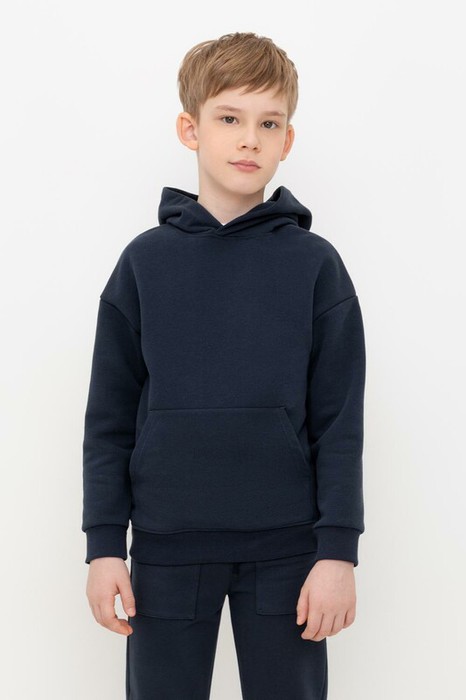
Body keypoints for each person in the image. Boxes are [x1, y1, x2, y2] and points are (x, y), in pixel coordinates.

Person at [82, 31, 366, 700]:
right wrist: (104, 546)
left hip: (289, 553)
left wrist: (338, 552)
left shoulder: (315, 266)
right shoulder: (144, 263)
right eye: (230, 118)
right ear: (191, 129)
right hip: (166, 548)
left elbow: (340, 422)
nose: (249, 140)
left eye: (268, 124)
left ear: (287, 140)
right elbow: (109, 420)